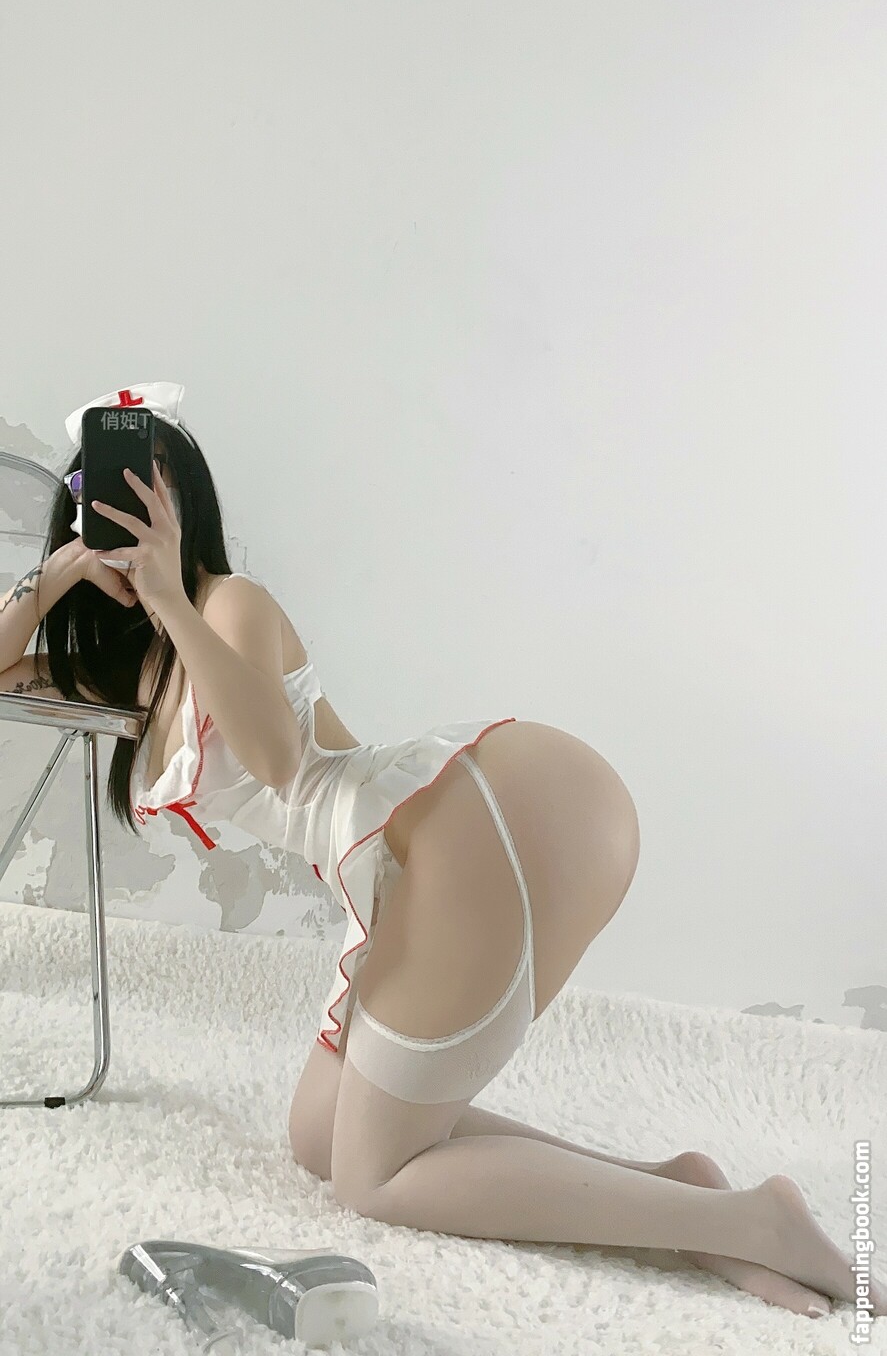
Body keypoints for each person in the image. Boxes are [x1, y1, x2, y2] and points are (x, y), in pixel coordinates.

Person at [4, 381, 881, 1324]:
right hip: (414, 852)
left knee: (373, 1177)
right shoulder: (140, 667)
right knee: (319, 1137)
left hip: (471, 818)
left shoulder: (228, 605)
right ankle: (682, 1198)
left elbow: (275, 757)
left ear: (187, 508)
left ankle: (753, 1224)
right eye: (106, 499)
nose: (131, 519)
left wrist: (170, 594)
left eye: (151, 495)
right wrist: (51, 578)